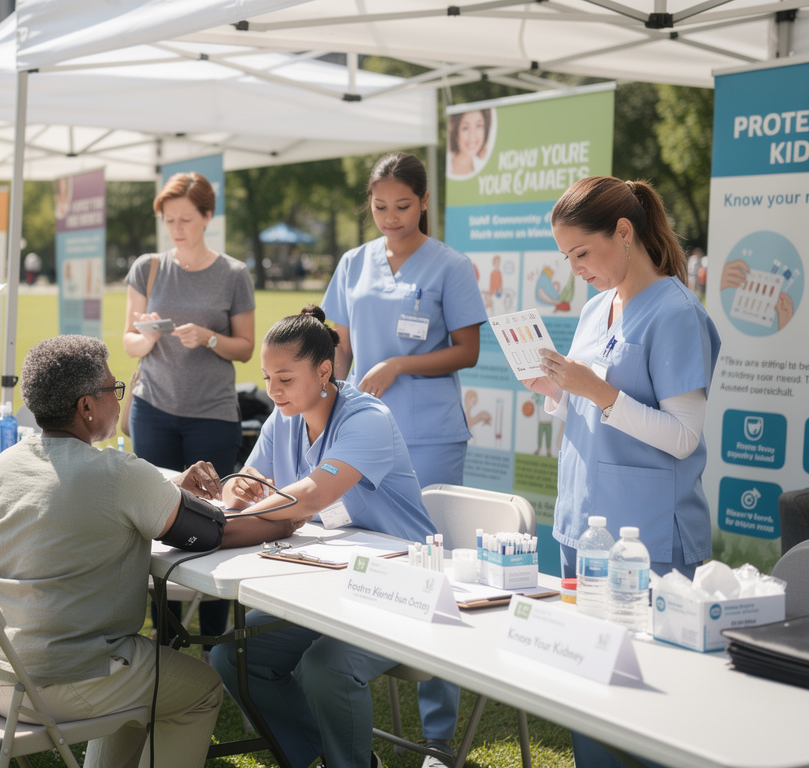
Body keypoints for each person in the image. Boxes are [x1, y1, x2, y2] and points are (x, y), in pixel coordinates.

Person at [0, 334, 301, 768]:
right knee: (199, 689)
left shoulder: (9, 460)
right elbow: (213, 533)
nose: (119, 401)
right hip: (53, 678)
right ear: (86, 407)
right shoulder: (119, 473)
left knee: (142, 677)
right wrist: (287, 520)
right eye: (112, 390)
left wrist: (169, 487)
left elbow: (88, 495)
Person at [523, 176, 720, 768]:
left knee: (649, 709)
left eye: (582, 252)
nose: (575, 268)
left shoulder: (677, 313)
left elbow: (683, 438)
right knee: (590, 693)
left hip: (647, 540)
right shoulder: (594, 309)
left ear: (625, 232)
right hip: (581, 528)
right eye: (566, 257)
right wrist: (554, 393)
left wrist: (597, 391)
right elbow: (592, 407)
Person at [210, 306, 439, 768]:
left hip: (403, 585)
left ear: (324, 371)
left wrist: (226, 524)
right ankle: (318, 756)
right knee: (232, 656)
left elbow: (311, 497)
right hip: (331, 580)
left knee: (326, 667)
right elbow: (255, 473)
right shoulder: (283, 416)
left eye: (285, 379)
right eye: (267, 378)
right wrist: (240, 485)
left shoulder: (367, 419)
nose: (273, 391)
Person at [321, 152, 485, 763]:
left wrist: (400, 364)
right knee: (362, 551)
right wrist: (332, 399)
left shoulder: (450, 266)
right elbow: (338, 347)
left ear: (423, 203)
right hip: (362, 432)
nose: (391, 218)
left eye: (404, 206)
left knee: (431, 568)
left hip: (430, 435)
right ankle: (351, 672)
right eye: (380, 206)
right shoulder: (351, 263)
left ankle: (439, 733)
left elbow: (467, 350)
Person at [123, 171, 255, 637]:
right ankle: (168, 634)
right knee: (157, 520)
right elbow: (128, 342)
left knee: (214, 520)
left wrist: (209, 337)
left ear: (207, 217)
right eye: (168, 220)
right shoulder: (149, 267)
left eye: (185, 219)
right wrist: (146, 334)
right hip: (153, 408)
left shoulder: (234, 274)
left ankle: (218, 635)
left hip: (212, 415)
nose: (176, 229)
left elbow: (245, 348)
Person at [447, 109, 491, 178]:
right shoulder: (448, 167)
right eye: (465, 128)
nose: (472, 136)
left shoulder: (486, 171)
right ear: (455, 131)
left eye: (478, 126)